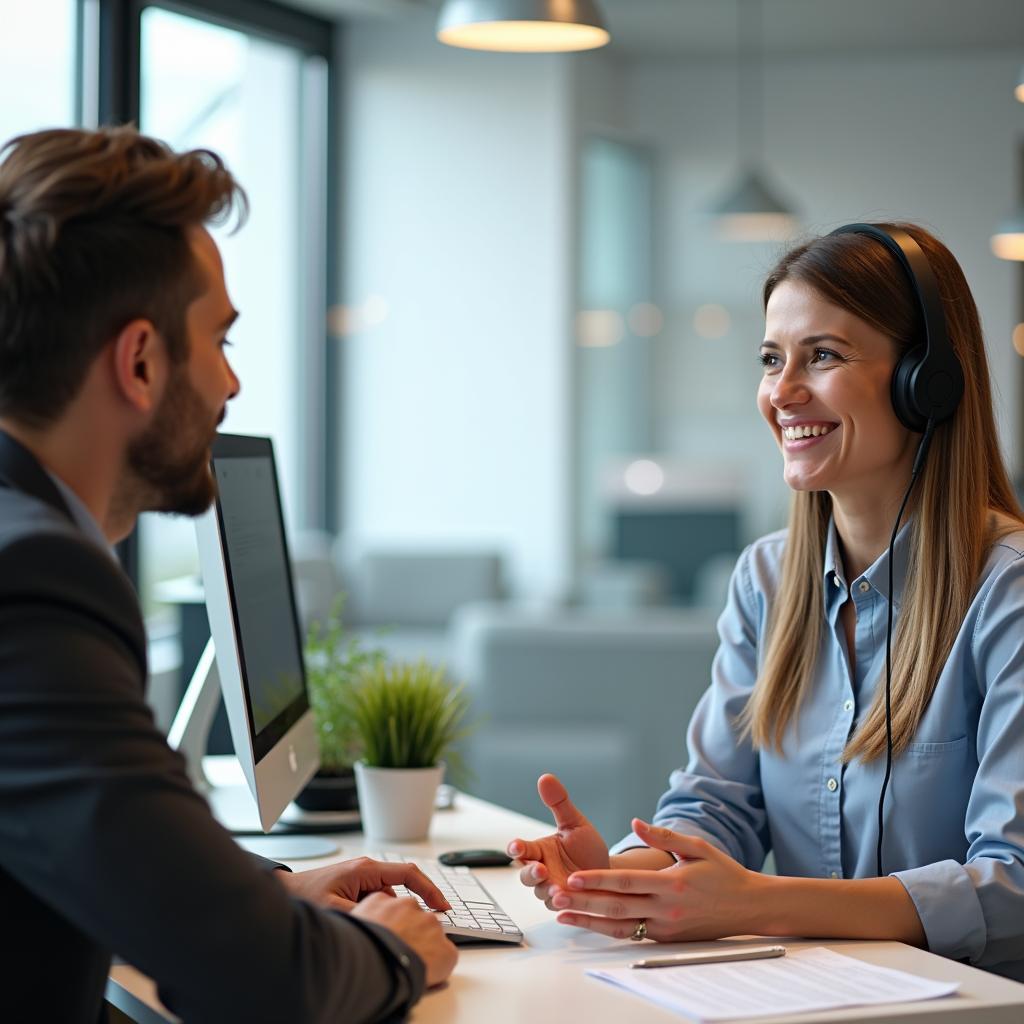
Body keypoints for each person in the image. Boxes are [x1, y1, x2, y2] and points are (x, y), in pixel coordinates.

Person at [0, 126, 457, 1022]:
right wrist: (391, 950)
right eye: (221, 341)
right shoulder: (35, 584)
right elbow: (258, 982)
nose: (232, 386)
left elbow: (87, 846)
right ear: (139, 362)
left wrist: (261, 888)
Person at [509, 222, 1024, 980]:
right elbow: (717, 806)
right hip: (815, 993)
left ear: (927, 381)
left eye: (823, 355)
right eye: (770, 359)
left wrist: (755, 903)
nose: (781, 393)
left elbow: (1012, 885)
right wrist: (625, 876)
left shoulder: (1007, 590)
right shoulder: (767, 582)